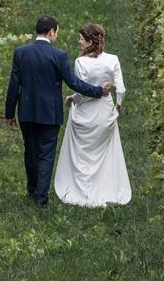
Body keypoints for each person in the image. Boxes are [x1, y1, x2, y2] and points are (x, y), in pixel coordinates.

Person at [4, 14, 112, 207]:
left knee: (30, 151)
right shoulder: (58, 55)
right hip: (50, 113)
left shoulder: (21, 52)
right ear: (51, 31)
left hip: (27, 111)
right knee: (46, 153)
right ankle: (41, 197)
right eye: (57, 32)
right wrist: (97, 91)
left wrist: (9, 113)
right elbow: (73, 82)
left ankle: (32, 189)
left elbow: (14, 85)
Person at [54, 23, 131, 207]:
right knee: (103, 155)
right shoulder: (113, 59)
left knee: (82, 155)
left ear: (90, 42)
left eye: (81, 39)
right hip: (105, 113)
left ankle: (81, 188)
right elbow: (120, 90)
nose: (79, 42)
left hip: (85, 115)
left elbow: (82, 92)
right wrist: (117, 108)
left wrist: (72, 99)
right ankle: (105, 187)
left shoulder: (81, 62)